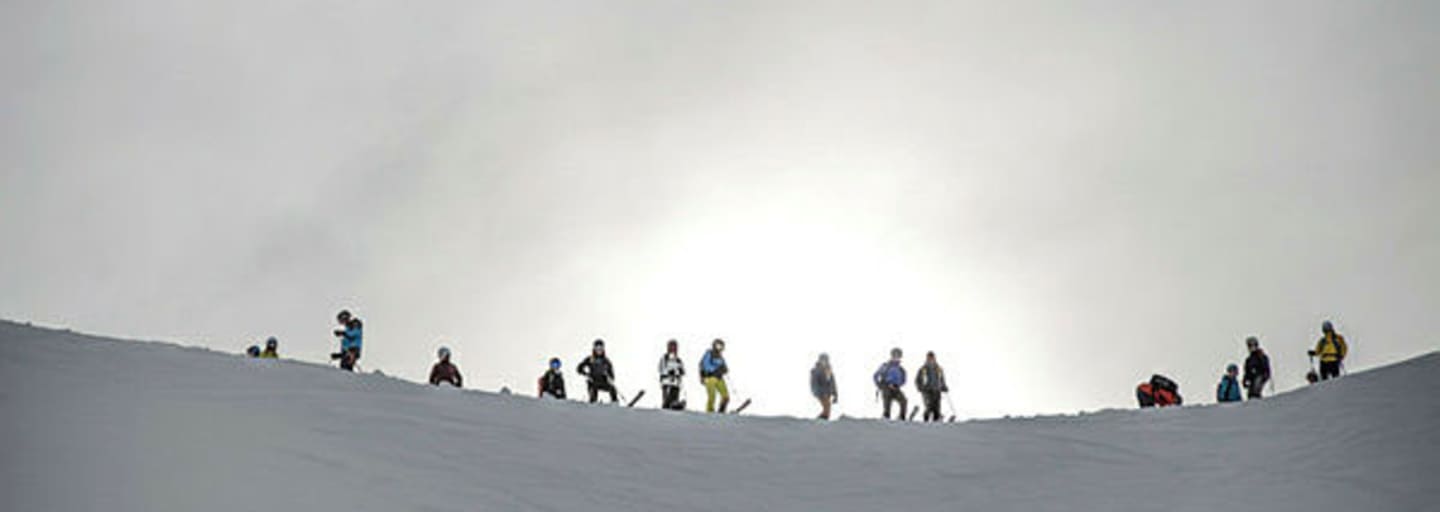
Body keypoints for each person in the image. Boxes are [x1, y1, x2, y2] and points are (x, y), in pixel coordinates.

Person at [577, 339, 618, 403]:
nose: (599, 350)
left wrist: (609, 378)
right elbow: (579, 368)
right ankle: (593, 403)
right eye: (597, 348)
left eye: (600, 348)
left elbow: (611, 374)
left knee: (612, 388)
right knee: (593, 389)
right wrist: (586, 374)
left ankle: (615, 403)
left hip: (602, 380)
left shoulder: (606, 361)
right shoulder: (590, 359)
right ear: (594, 349)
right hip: (593, 380)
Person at [873, 348, 908, 420]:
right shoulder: (886, 366)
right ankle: (886, 416)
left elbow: (904, 379)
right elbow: (876, 375)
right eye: (895, 355)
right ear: (891, 356)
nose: (896, 357)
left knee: (903, 401)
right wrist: (879, 385)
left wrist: (898, 384)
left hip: (896, 388)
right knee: (887, 402)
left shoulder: (901, 369)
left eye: (898, 356)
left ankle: (902, 416)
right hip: (886, 387)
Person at [915, 351, 948, 422]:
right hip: (927, 390)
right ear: (927, 359)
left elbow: (942, 379)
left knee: (937, 407)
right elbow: (917, 379)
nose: (931, 360)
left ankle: (936, 422)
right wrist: (920, 387)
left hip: (937, 390)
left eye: (932, 358)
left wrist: (944, 386)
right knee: (929, 406)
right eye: (929, 358)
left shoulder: (939, 369)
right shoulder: (923, 369)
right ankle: (926, 420)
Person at [699, 339, 730, 413]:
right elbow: (705, 365)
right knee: (712, 395)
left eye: (721, 346)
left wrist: (724, 370)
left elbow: (725, 367)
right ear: (714, 345)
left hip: (719, 378)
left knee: (725, 396)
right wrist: (715, 369)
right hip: (710, 378)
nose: (719, 348)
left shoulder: (720, 357)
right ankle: (710, 410)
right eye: (718, 346)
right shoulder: (709, 353)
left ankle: (722, 408)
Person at [658, 339, 686, 410]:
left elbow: (682, 370)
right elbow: (661, 368)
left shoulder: (678, 360)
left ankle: (675, 403)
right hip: (667, 381)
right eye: (671, 347)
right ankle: (666, 404)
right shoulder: (664, 358)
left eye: (675, 347)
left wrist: (678, 372)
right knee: (667, 394)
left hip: (676, 382)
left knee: (675, 393)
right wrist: (669, 372)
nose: (673, 349)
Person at [810, 353, 838, 420]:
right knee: (826, 407)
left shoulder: (829, 371)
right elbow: (814, 383)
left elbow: (833, 383)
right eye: (823, 360)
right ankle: (820, 421)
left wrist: (835, 394)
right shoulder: (816, 371)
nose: (825, 361)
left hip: (828, 392)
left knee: (828, 408)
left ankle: (824, 420)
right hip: (821, 392)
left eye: (826, 360)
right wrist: (817, 392)